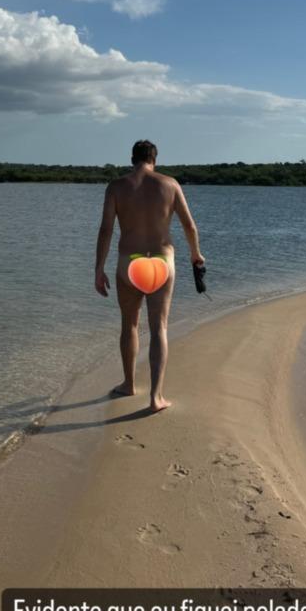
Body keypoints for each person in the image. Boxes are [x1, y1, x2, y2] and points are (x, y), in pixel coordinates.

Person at [94, 139, 204, 413]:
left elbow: (106, 230)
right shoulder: (170, 184)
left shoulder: (116, 186)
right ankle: (155, 398)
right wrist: (195, 254)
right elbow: (189, 225)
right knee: (159, 328)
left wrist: (99, 268)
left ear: (132, 159)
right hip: (161, 262)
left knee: (129, 325)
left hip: (129, 263)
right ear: (154, 159)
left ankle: (129, 384)